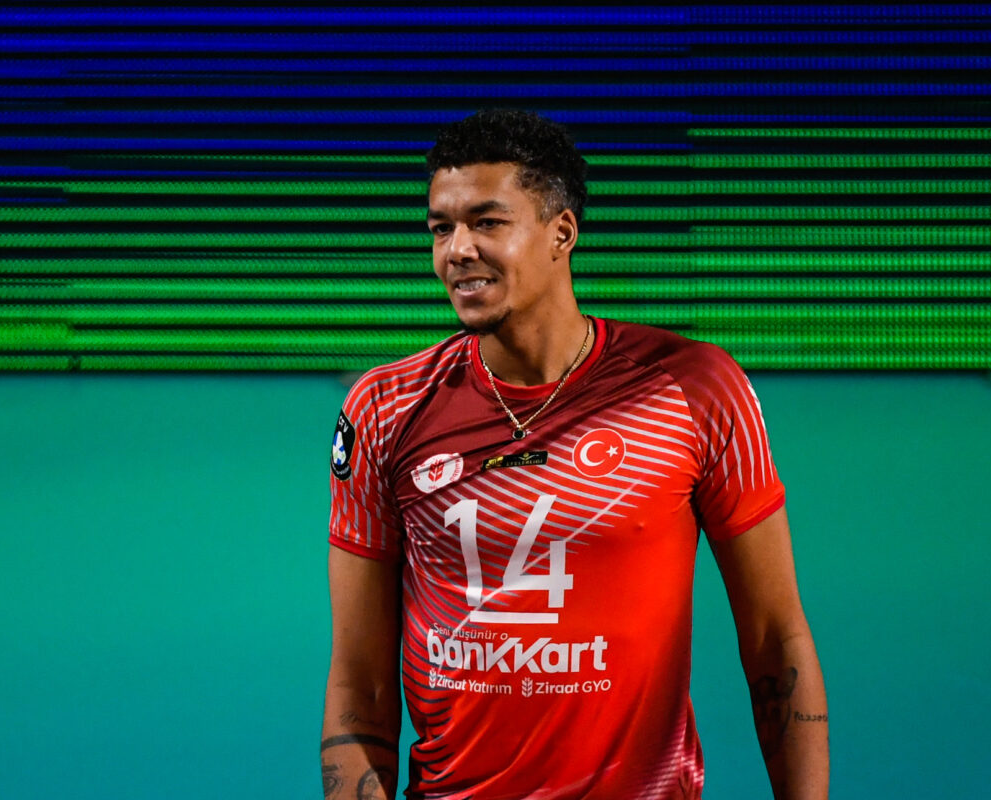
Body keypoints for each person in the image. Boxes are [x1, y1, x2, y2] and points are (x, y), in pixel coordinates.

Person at [321, 108, 829, 799]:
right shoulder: (384, 408)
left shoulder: (695, 388)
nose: (457, 250)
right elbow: (361, 683)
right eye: (441, 227)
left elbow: (774, 638)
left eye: (487, 222)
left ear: (562, 232)